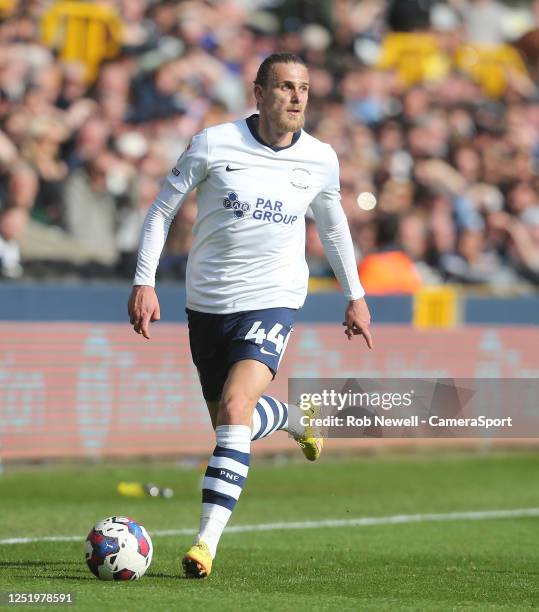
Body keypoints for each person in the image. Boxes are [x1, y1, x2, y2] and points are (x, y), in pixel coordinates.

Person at [127, 52, 373, 579]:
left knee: (236, 408)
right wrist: (143, 280)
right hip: (207, 304)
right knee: (229, 422)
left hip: (273, 297)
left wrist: (355, 293)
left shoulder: (320, 158)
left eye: (303, 87)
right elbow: (162, 209)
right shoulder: (214, 143)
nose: (296, 97)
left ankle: (204, 544)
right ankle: (293, 418)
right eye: (285, 86)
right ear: (258, 92)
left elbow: (333, 228)